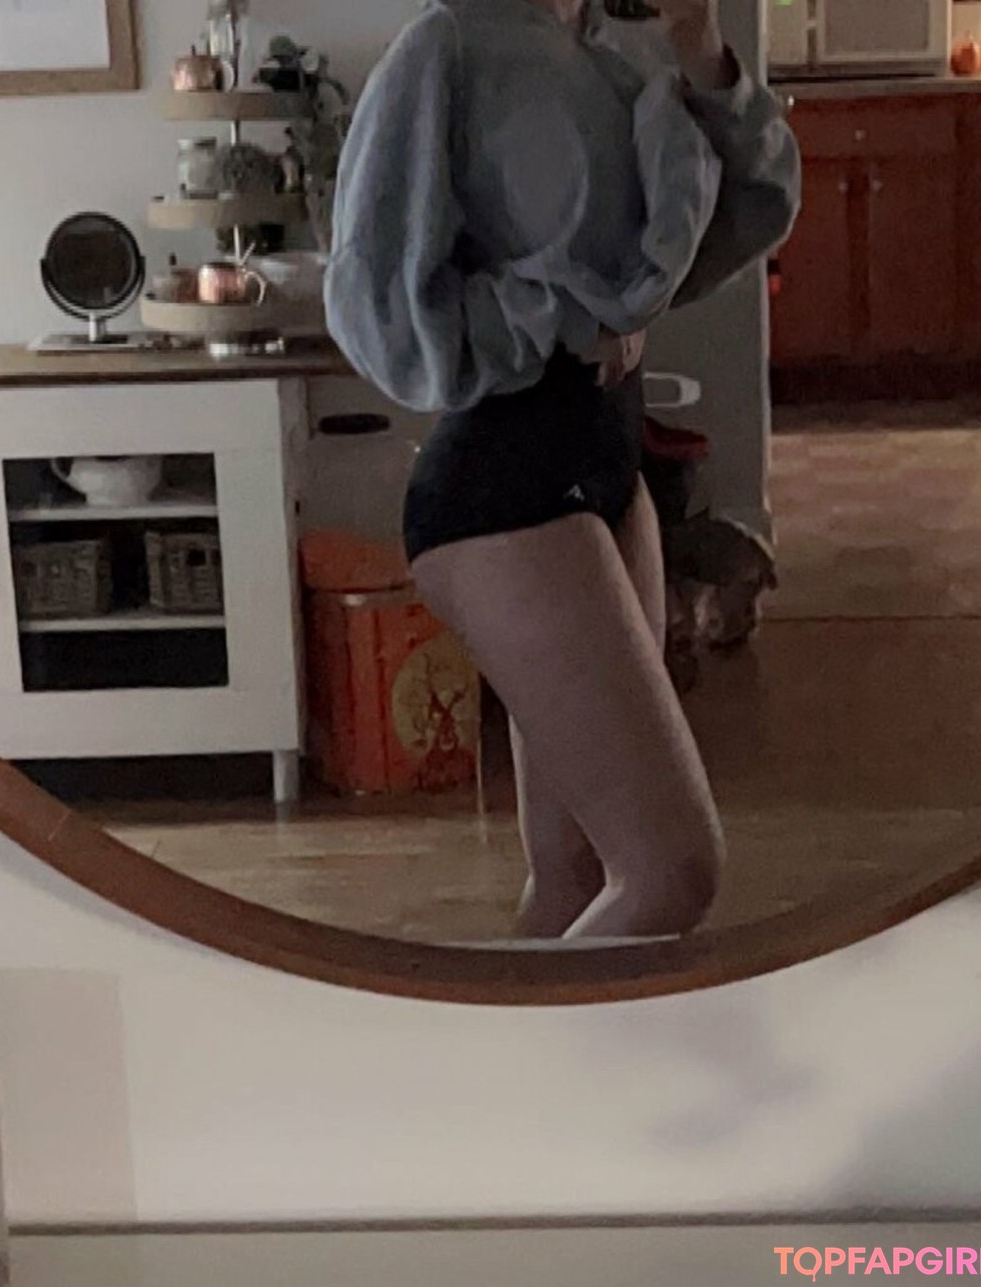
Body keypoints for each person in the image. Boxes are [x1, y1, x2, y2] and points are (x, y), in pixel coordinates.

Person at [324, 0, 801, 939]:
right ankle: (498, 1049)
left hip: (610, 461)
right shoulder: (449, 47)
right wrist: (565, 321)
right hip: (502, 480)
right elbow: (379, 308)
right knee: (672, 871)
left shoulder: (625, 48)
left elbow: (753, 214)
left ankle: (546, 1040)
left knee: (578, 876)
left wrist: (700, 49)